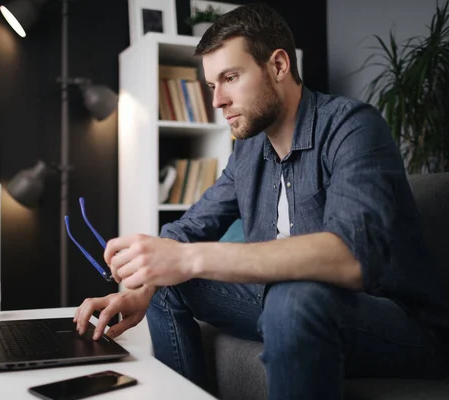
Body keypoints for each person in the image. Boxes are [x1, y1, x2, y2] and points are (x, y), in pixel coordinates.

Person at [74, 4, 448, 399]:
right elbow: (187, 230)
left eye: (230, 78)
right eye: (211, 85)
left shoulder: (352, 126)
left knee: (290, 295)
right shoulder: (248, 152)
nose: (217, 100)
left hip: (397, 325)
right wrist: (142, 282)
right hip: (296, 304)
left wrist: (188, 258)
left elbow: (349, 258)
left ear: (279, 66)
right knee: (165, 272)